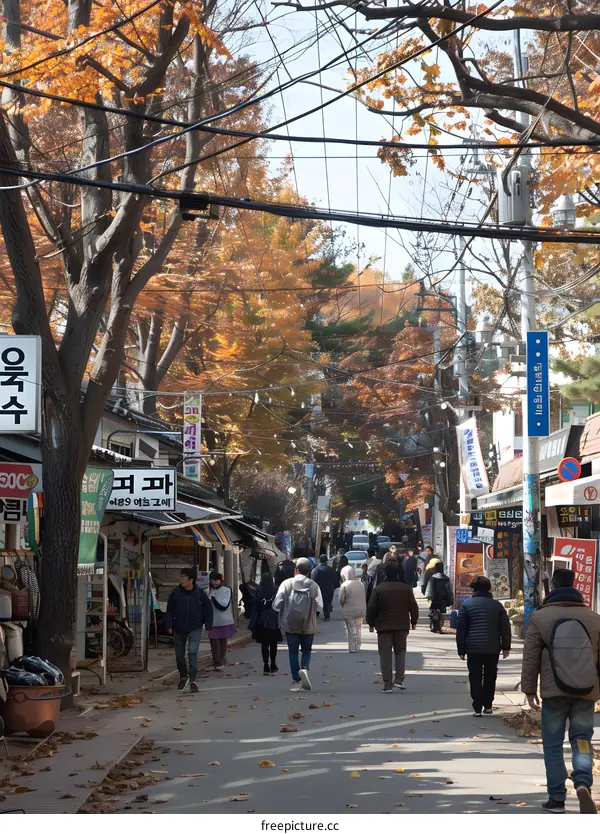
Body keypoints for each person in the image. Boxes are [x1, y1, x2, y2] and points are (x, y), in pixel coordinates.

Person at [521, 568, 600, 815]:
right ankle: (583, 782)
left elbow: (531, 656)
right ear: (575, 585)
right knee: (582, 739)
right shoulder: (594, 618)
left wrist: (528, 689)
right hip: (586, 689)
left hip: (553, 691)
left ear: (552, 586)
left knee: (553, 744)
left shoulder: (540, 618)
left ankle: (556, 798)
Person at [456, 576, 511, 717]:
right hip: (492, 648)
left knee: (475, 676)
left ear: (473, 589)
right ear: (489, 589)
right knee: (490, 676)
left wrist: (461, 649)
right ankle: (488, 705)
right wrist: (506, 647)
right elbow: (505, 628)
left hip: (473, 648)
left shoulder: (466, 605)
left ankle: (477, 706)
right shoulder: (497, 606)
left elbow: (461, 630)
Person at [367, 561, 419, 693]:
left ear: (385, 573)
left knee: (385, 654)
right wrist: (414, 621)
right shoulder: (406, 589)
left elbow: (371, 607)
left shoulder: (378, 589)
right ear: (397, 573)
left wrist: (371, 623)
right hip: (402, 626)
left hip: (383, 627)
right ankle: (399, 680)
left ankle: (387, 684)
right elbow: (413, 606)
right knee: (400, 652)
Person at [274, 557, 323, 692]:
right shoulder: (313, 586)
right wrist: (313, 616)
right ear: (309, 571)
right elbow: (320, 606)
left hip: (290, 624)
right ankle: (305, 668)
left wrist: (282, 612)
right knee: (306, 650)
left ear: (296, 570)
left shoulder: (286, 584)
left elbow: (276, 604)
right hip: (308, 625)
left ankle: (296, 679)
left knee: (293, 653)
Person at [166, 568, 213, 692]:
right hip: (179, 627)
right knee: (179, 655)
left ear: (191, 580)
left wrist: (208, 625)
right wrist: (169, 625)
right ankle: (183, 676)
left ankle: (193, 679)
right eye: (181, 577)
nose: (181, 579)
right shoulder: (175, 593)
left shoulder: (199, 593)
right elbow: (169, 610)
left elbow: (208, 609)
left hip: (195, 627)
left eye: (184, 577)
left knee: (192, 652)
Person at [249, 565, 282, 674]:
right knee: (273, 643)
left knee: (264, 644)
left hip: (262, 620)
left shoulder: (259, 590)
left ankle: (265, 664)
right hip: (273, 620)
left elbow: (255, 606)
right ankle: (273, 663)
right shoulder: (276, 589)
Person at [207, 571, 236, 671]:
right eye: (213, 580)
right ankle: (216, 661)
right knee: (213, 641)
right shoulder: (209, 590)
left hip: (224, 620)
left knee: (222, 641)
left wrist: (213, 598)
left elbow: (223, 605)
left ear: (220, 581)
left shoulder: (226, 590)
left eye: (217, 580)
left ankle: (220, 661)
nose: (215, 582)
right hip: (212, 620)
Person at [339, 565, 366, 652]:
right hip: (360, 610)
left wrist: (343, 606)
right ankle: (358, 644)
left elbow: (341, 599)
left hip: (349, 611)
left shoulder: (344, 585)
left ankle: (352, 647)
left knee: (351, 628)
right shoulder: (361, 584)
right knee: (358, 627)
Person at [425, 561, 453, 633]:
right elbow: (449, 590)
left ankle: (435, 626)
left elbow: (430, 588)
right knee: (442, 613)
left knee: (433, 612)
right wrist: (449, 599)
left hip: (435, 598)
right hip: (443, 598)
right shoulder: (446, 578)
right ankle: (440, 626)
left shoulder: (433, 577)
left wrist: (430, 597)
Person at [311, 554, 338, 620]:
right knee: (326, 602)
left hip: (319, 589)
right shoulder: (330, 569)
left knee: (317, 603)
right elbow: (335, 580)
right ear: (327, 560)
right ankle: (327, 616)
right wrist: (334, 587)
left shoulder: (316, 570)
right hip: (329, 590)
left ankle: (316, 616)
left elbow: (313, 581)